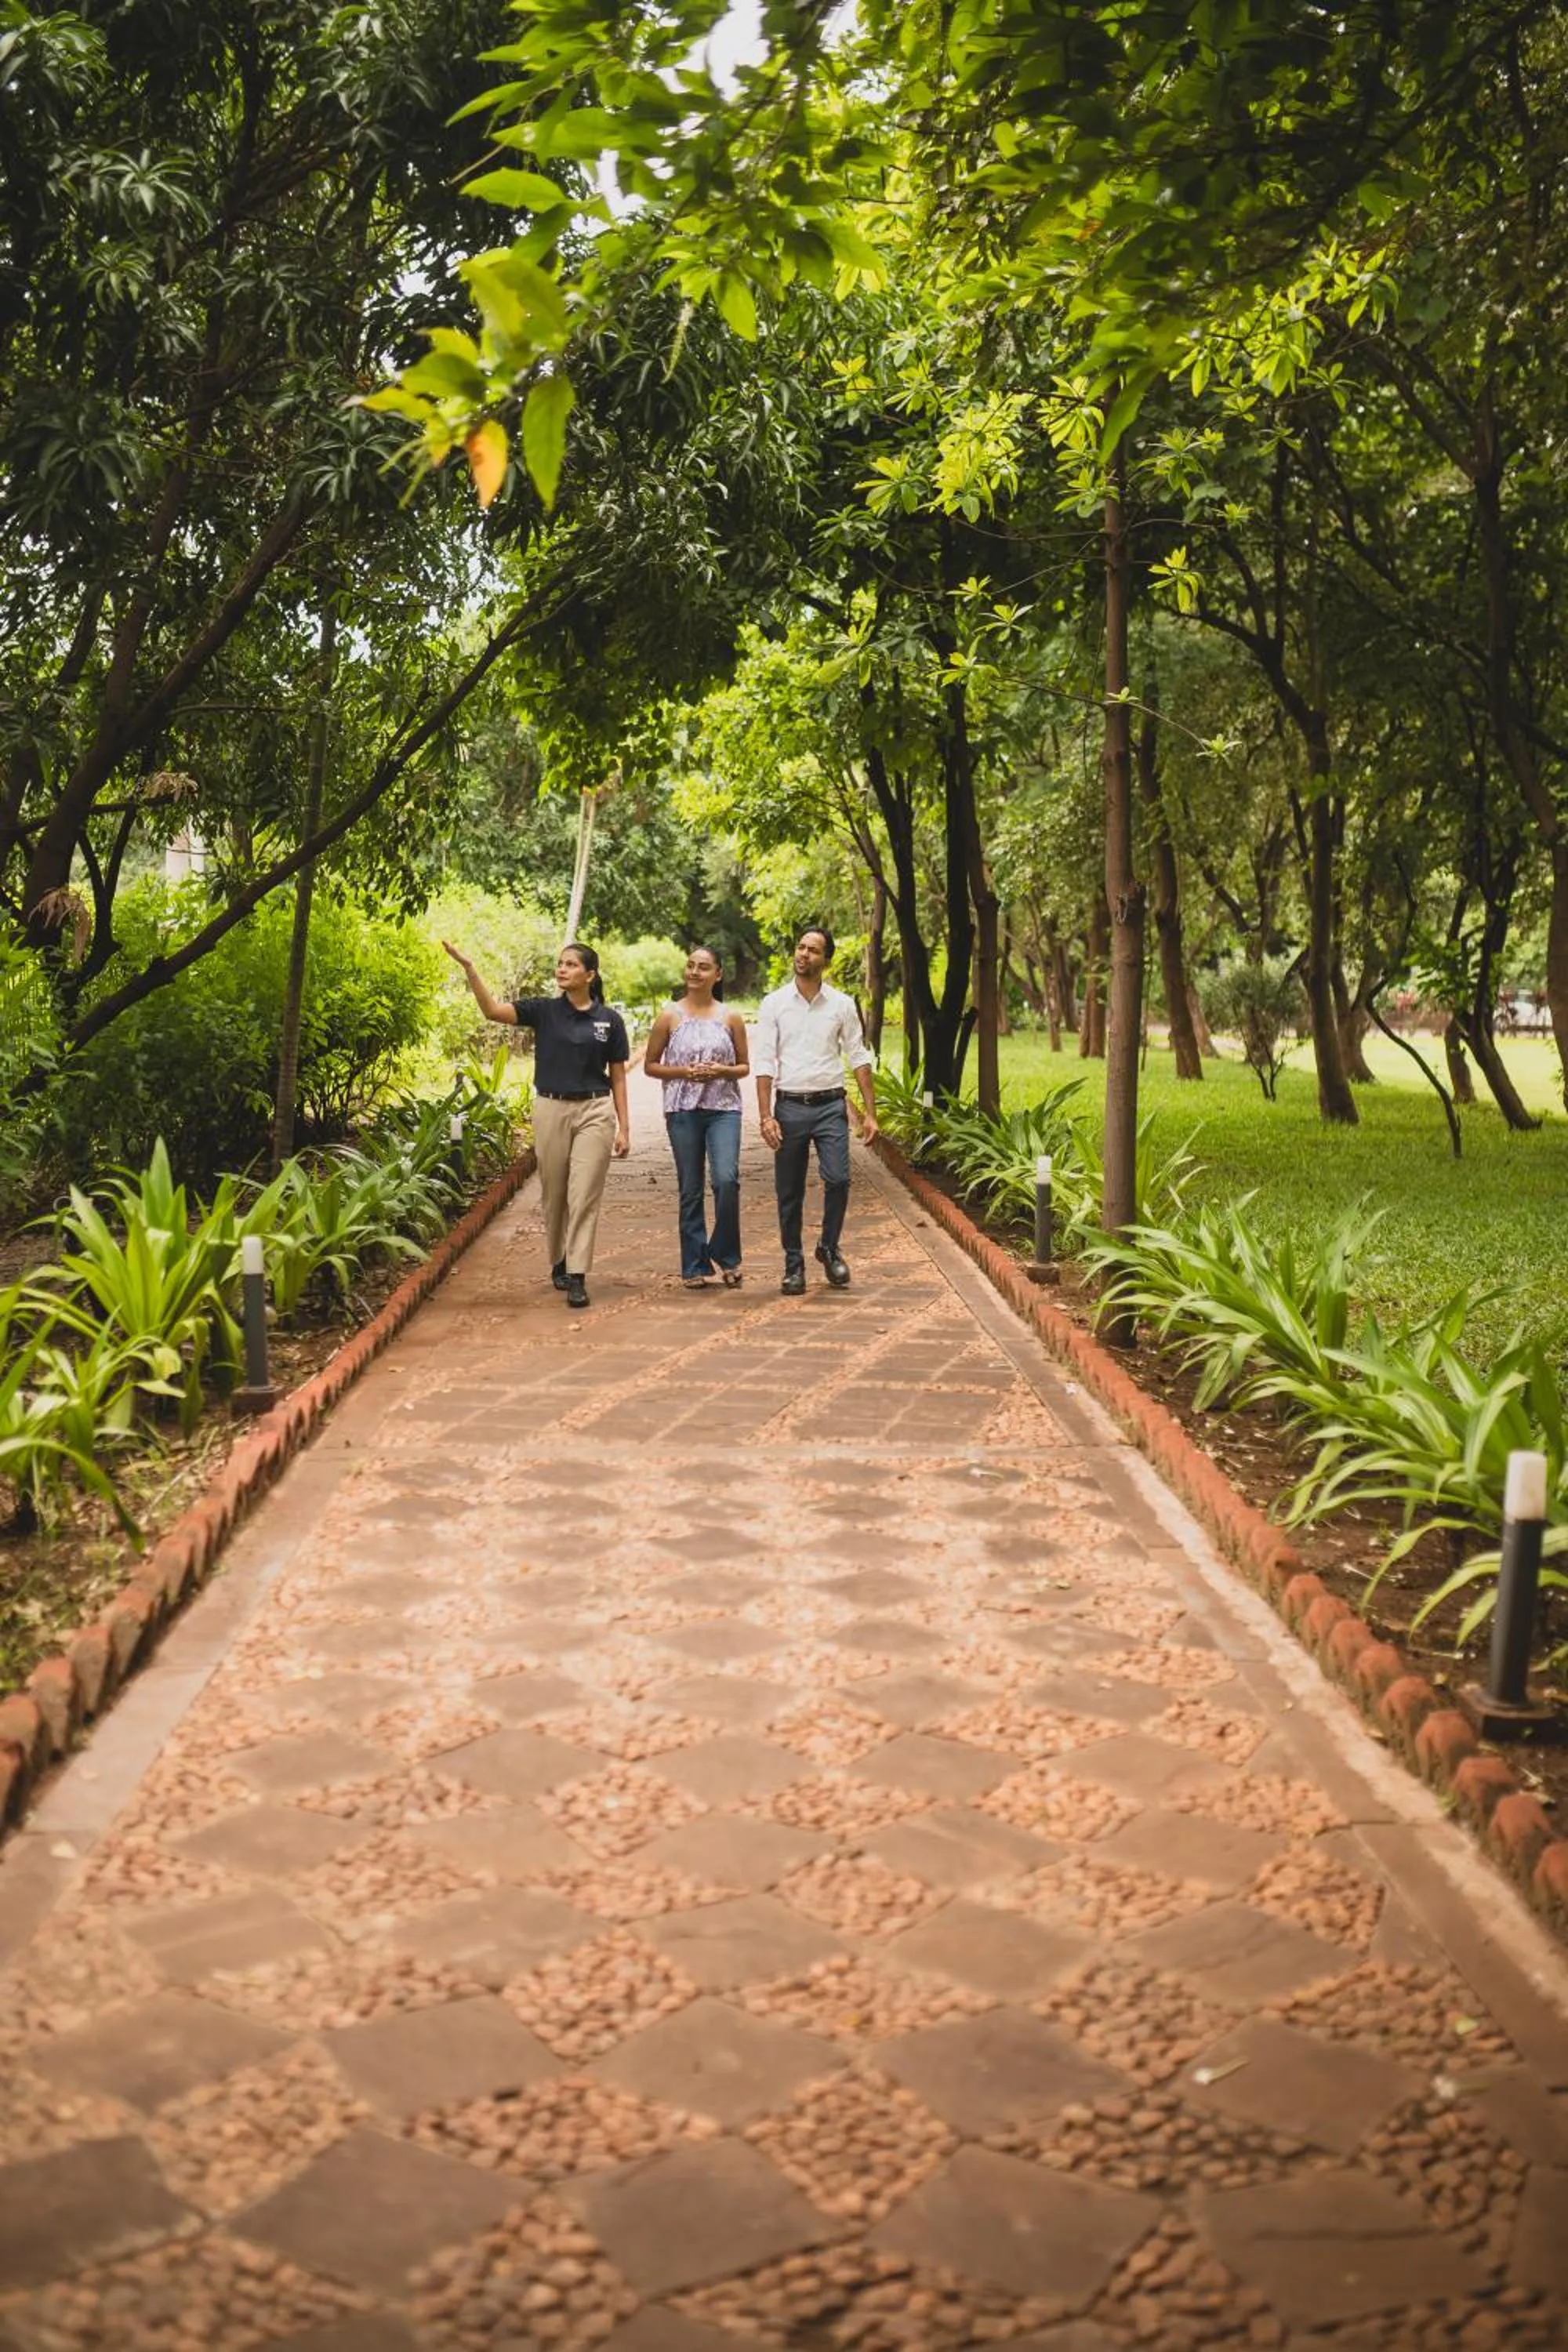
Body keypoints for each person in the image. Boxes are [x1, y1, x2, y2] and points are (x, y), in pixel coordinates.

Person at [443, 939, 629, 1309]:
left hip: (595, 1110)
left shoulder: (609, 1020)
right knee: (555, 1193)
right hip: (551, 1108)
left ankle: (577, 1274)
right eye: (560, 963)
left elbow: (619, 1076)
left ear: (590, 975)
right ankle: (559, 1258)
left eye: (571, 964)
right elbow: (493, 1011)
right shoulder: (544, 1011)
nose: (562, 969)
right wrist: (470, 968)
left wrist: (625, 1127)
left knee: (584, 1195)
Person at [753, 924, 877, 1294]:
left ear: (826, 960)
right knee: (789, 1191)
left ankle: (829, 1247)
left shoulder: (841, 1004)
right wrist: (765, 1115)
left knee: (838, 1179)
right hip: (789, 1106)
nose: (804, 954)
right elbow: (764, 1061)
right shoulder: (774, 1003)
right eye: (801, 947)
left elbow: (858, 1056)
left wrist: (871, 1113)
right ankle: (794, 1264)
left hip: (830, 1106)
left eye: (813, 950)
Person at [643, 946, 750, 1289]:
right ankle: (694, 1264)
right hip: (682, 1111)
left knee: (726, 1180)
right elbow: (650, 1066)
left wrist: (721, 1070)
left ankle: (726, 1255)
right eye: (690, 966)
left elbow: (744, 1067)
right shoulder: (669, 1016)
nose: (694, 972)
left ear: (718, 974)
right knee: (690, 1188)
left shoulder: (731, 1017)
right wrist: (683, 1072)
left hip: (724, 1110)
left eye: (703, 967)